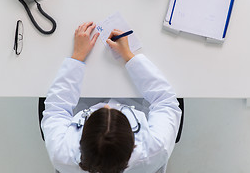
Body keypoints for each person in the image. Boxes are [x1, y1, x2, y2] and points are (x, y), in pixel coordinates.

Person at [41, 21, 182, 173]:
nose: (108, 105)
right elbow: (166, 101)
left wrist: (77, 57)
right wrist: (129, 55)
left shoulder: (62, 154)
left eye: (103, 110)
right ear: (133, 144)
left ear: (82, 140)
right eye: (113, 111)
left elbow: (56, 109)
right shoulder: (155, 150)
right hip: (134, 99)